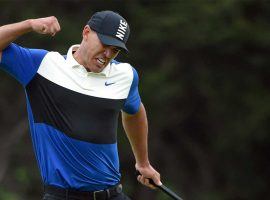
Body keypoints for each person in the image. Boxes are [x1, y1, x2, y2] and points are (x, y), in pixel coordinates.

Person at [0, 10, 162, 200]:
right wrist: (29, 24)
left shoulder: (125, 75)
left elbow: (135, 111)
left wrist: (143, 163)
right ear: (86, 32)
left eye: (115, 50)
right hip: (62, 196)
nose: (108, 54)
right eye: (105, 44)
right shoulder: (42, 65)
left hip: (112, 194)